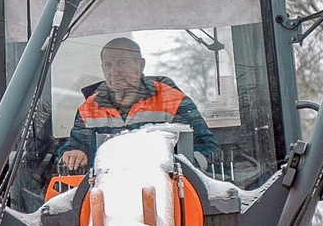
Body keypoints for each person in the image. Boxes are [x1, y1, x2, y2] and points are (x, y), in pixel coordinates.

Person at [59, 37, 220, 170]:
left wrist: (183, 170)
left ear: (140, 65)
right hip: (105, 193)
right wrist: (73, 154)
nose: (114, 71)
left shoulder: (172, 101)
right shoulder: (89, 109)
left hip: (168, 191)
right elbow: (74, 147)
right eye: (108, 65)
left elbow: (208, 148)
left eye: (122, 63)